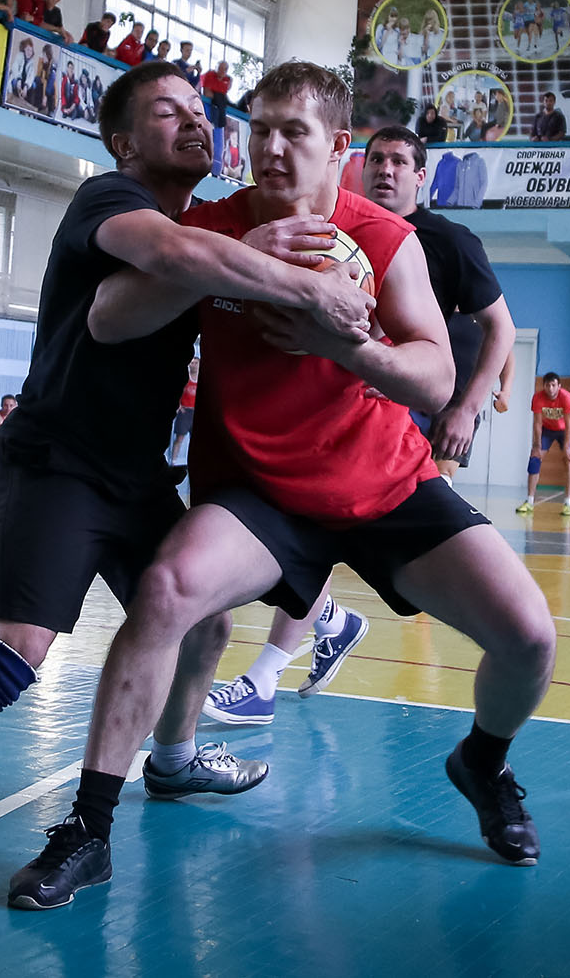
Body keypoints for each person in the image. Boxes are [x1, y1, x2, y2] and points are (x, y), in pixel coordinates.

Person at [0, 61, 373, 901]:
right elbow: (176, 255)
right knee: (16, 648)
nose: (195, 122)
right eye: (167, 112)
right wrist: (294, 276)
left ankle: (174, 758)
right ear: (123, 142)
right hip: (61, 458)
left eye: (199, 110)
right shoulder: (112, 200)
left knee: (203, 619)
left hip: (135, 469)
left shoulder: (204, 227)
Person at [12, 61, 556, 909]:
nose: (269, 147)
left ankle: (483, 761)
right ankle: (89, 827)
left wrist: (350, 348)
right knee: (167, 590)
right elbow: (109, 317)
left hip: (382, 483)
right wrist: (225, 267)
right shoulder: (213, 225)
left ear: (337, 146)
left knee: (529, 635)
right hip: (258, 491)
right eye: (258, 129)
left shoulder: (385, 237)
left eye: (292, 132)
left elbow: (434, 378)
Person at [204, 124, 516, 726]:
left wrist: (467, 407)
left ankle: (283, 662)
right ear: (355, 162)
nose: (385, 170)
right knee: (302, 530)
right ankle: (301, 645)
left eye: (399, 161)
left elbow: (500, 328)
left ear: (421, 176)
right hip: (328, 413)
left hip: (415, 417)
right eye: (377, 159)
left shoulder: (448, 242)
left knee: (337, 531)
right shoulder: (325, 230)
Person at [516, 372, 570, 516]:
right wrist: (537, 446)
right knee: (534, 460)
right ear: (544, 386)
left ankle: (567, 503)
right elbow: (537, 423)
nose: (550, 388)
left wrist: (567, 447)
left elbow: (568, 424)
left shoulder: (566, 397)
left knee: (569, 461)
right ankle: (529, 501)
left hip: (565, 431)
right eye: (548, 385)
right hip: (547, 430)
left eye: (553, 385)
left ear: (559, 386)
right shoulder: (538, 397)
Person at [169, 355, 199, 466]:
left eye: (196, 363)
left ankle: (194, 463)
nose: (193, 365)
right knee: (179, 438)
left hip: (196, 412)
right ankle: (173, 462)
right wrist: (178, 406)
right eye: (192, 363)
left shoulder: (202, 379)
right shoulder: (185, 378)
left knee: (195, 440)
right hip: (185, 412)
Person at [201, 60, 232, 126]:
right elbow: (206, 93)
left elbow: (223, 93)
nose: (222, 71)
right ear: (216, 67)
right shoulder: (210, 75)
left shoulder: (227, 79)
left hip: (221, 101)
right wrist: (217, 95)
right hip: (206, 103)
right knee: (219, 97)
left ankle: (219, 123)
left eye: (225, 69)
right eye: (220, 68)